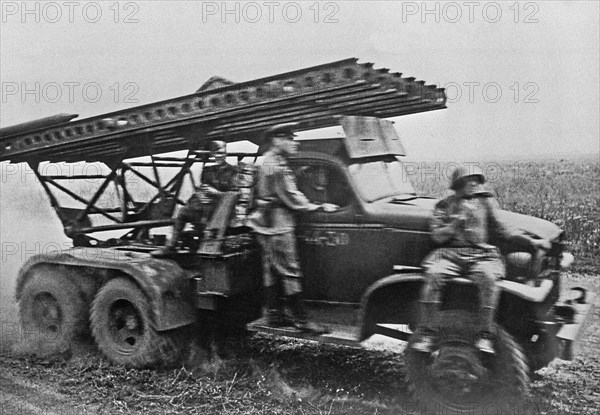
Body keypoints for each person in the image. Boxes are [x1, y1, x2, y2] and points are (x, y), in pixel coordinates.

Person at [412, 165, 551, 354]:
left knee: (488, 278)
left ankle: (485, 335)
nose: (475, 185)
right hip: (451, 254)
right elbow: (437, 236)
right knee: (434, 276)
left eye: (477, 181)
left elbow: (504, 230)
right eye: (470, 181)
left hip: (481, 255)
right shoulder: (444, 206)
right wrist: (455, 223)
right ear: (458, 184)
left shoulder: (484, 203)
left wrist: (530, 242)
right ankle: (428, 333)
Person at [246, 123, 338, 333]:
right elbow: (292, 197)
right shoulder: (277, 166)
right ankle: (302, 321)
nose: (294, 142)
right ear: (277, 141)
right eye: (290, 139)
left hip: (264, 224)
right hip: (278, 224)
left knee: (271, 270)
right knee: (290, 271)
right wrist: (318, 205)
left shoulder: (268, 161)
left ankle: (274, 316)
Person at [152, 140, 237, 257]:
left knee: (205, 217)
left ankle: (205, 247)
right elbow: (202, 189)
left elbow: (234, 194)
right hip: (205, 207)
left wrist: (216, 193)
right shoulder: (208, 171)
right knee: (182, 212)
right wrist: (200, 196)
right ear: (212, 154)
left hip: (222, 210)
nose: (220, 156)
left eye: (222, 152)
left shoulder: (233, 171)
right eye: (217, 153)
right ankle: (171, 246)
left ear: (226, 153)